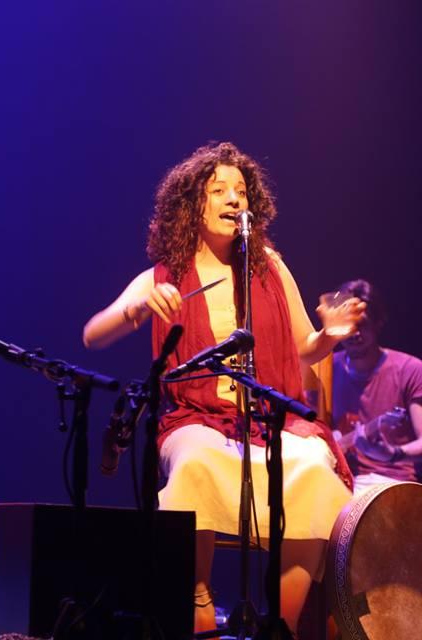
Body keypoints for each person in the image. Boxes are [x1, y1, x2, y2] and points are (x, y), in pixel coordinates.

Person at [82, 142, 364, 634]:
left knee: (315, 472)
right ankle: (199, 602)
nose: (234, 199)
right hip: (194, 418)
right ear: (193, 203)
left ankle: (281, 623)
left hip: (269, 421)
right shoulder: (165, 276)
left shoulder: (270, 268)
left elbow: (304, 347)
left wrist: (329, 336)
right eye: (219, 190)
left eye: (241, 191)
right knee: (196, 462)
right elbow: (93, 335)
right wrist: (140, 307)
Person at [327, 279, 422, 494]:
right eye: (347, 324)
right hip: (337, 478)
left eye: (361, 324)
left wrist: (393, 453)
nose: (354, 333)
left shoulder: (410, 369)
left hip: (389, 481)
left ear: (378, 323)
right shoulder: (326, 369)